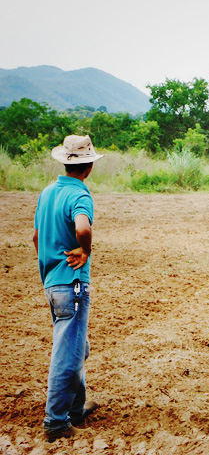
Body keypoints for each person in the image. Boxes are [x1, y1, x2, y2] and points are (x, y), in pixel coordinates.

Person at [33, 135, 104, 441]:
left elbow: (36, 238)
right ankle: (57, 421)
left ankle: (75, 408)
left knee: (77, 346)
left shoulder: (47, 193)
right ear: (88, 167)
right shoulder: (80, 195)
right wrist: (85, 250)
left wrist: (50, 263)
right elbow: (83, 228)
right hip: (73, 286)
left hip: (52, 283)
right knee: (68, 351)